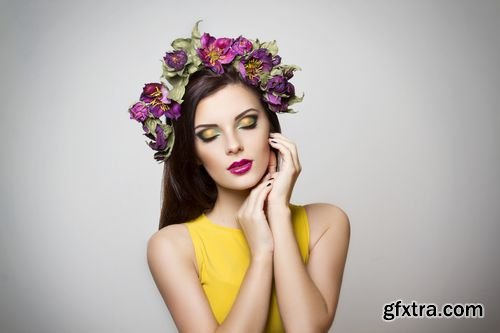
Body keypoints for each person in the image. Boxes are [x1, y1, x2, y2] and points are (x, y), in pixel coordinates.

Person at [129, 21, 350, 332]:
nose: (234, 145)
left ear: (270, 129)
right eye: (209, 135)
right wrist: (261, 255)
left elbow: (306, 329)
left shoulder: (326, 223)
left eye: (247, 123)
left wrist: (278, 215)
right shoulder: (172, 247)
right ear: (192, 153)